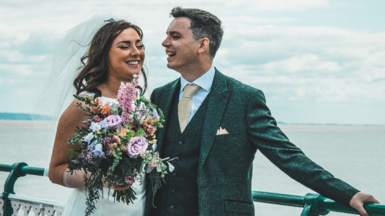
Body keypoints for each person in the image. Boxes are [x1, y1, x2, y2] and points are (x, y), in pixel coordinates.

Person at [145, 7, 380, 216]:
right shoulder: (160, 96)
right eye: (167, 36)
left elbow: (287, 155)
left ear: (202, 44)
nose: (165, 43)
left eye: (175, 36)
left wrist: (347, 194)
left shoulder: (244, 99)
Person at [47, 17, 148, 216]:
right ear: (104, 55)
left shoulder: (143, 106)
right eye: (124, 46)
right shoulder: (84, 104)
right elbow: (56, 170)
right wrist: (103, 178)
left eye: (139, 45)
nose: (136, 52)